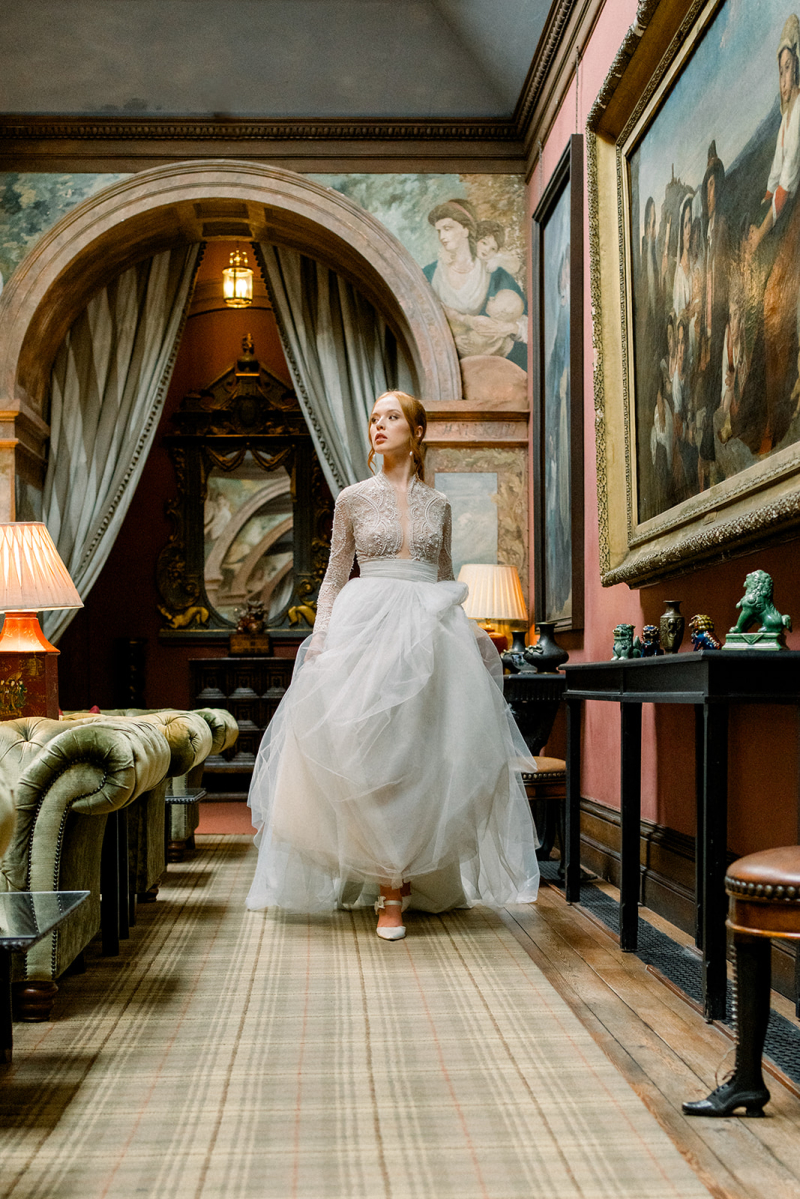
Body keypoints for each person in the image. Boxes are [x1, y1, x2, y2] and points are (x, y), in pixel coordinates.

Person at [245, 390, 540, 939]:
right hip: (366, 626)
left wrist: (473, 633)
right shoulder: (353, 499)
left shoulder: (440, 506)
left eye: (392, 416)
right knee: (371, 757)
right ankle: (387, 888)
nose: (379, 425)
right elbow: (334, 580)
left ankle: (409, 875)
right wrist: (326, 638)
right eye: (374, 417)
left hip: (430, 631)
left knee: (425, 754)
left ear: (417, 430)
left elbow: (445, 577)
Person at [743, 14, 800, 452]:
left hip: (797, 216)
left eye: (787, 68)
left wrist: (761, 233)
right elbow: (772, 178)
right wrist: (756, 209)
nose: (782, 79)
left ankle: (777, 420)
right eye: (778, 70)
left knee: (775, 307)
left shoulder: (799, 112)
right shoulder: (784, 119)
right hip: (784, 212)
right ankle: (759, 413)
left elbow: (788, 185)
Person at [424, 199, 527, 368]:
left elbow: (528, 325)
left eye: (448, 229)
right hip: (445, 367)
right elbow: (420, 324)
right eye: (439, 231)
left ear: (466, 229)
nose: (442, 237)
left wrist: (506, 328)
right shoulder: (429, 274)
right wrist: (451, 342)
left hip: (496, 364)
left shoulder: (496, 275)